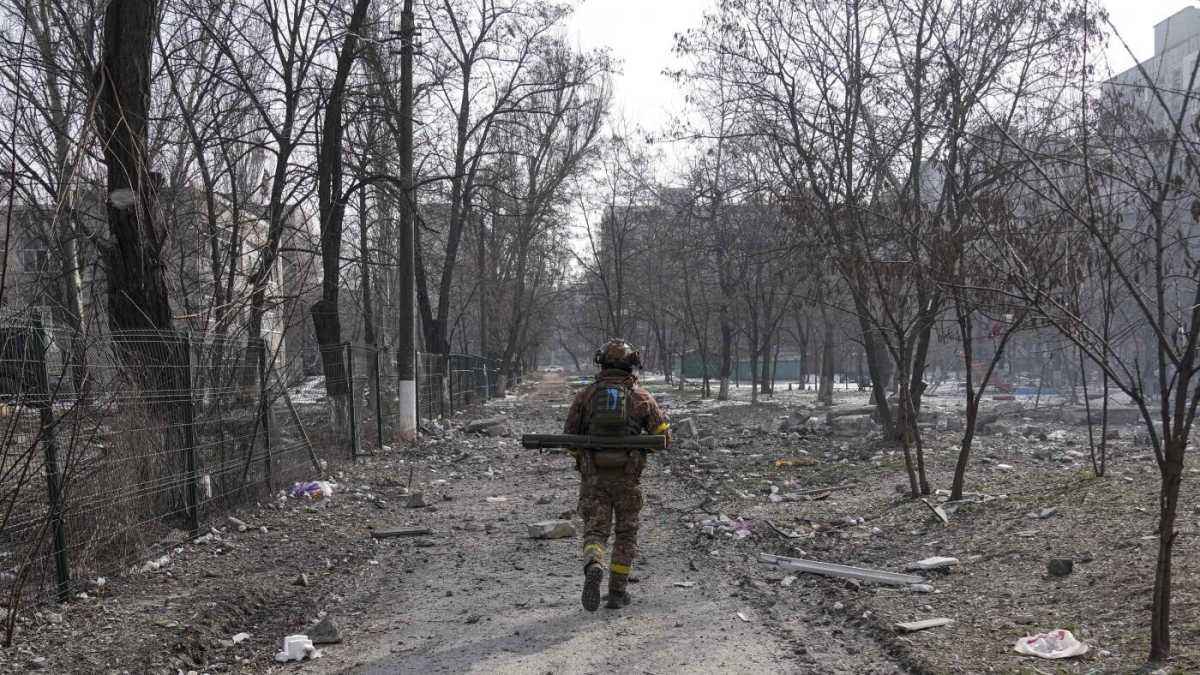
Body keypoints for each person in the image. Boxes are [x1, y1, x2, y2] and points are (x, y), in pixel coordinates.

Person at [562, 339, 670, 611]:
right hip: (627, 478)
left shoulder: (585, 395)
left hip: (594, 478)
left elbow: (569, 437)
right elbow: (664, 437)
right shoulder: (642, 397)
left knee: (595, 531)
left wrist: (585, 457)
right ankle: (618, 594)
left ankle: (594, 563)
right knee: (625, 535)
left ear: (602, 363)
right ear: (631, 365)